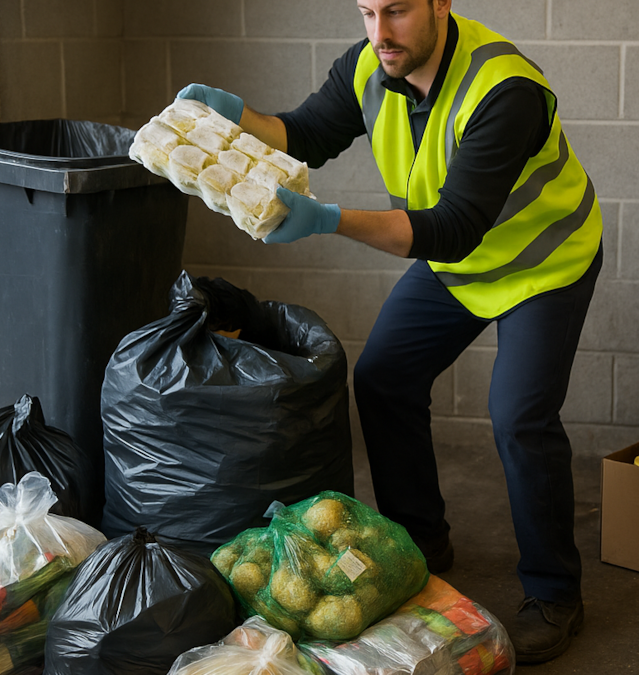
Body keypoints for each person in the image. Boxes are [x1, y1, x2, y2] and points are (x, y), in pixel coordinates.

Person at [177, 0, 602, 663]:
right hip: (460, 265)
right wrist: (238, 116)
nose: (380, 33)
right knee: (382, 379)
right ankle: (422, 543)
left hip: (543, 263)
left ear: (440, 5)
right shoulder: (370, 63)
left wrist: (326, 220)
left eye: (397, 11)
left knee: (519, 416)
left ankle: (555, 591)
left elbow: (456, 223)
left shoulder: (506, 89)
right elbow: (307, 133)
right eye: (368, 11)